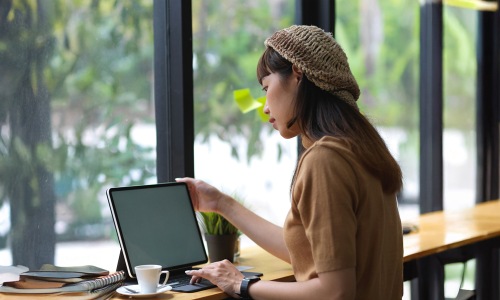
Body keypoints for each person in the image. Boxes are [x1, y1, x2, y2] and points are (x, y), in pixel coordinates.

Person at [177, 25, 403, 300]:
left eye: (266, 87)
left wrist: (241, 285)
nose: (264, 106)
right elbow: (309, 251)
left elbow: (336, 292)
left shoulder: (325, 160)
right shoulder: (361, 149)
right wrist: (220, 203)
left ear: (297, 73)